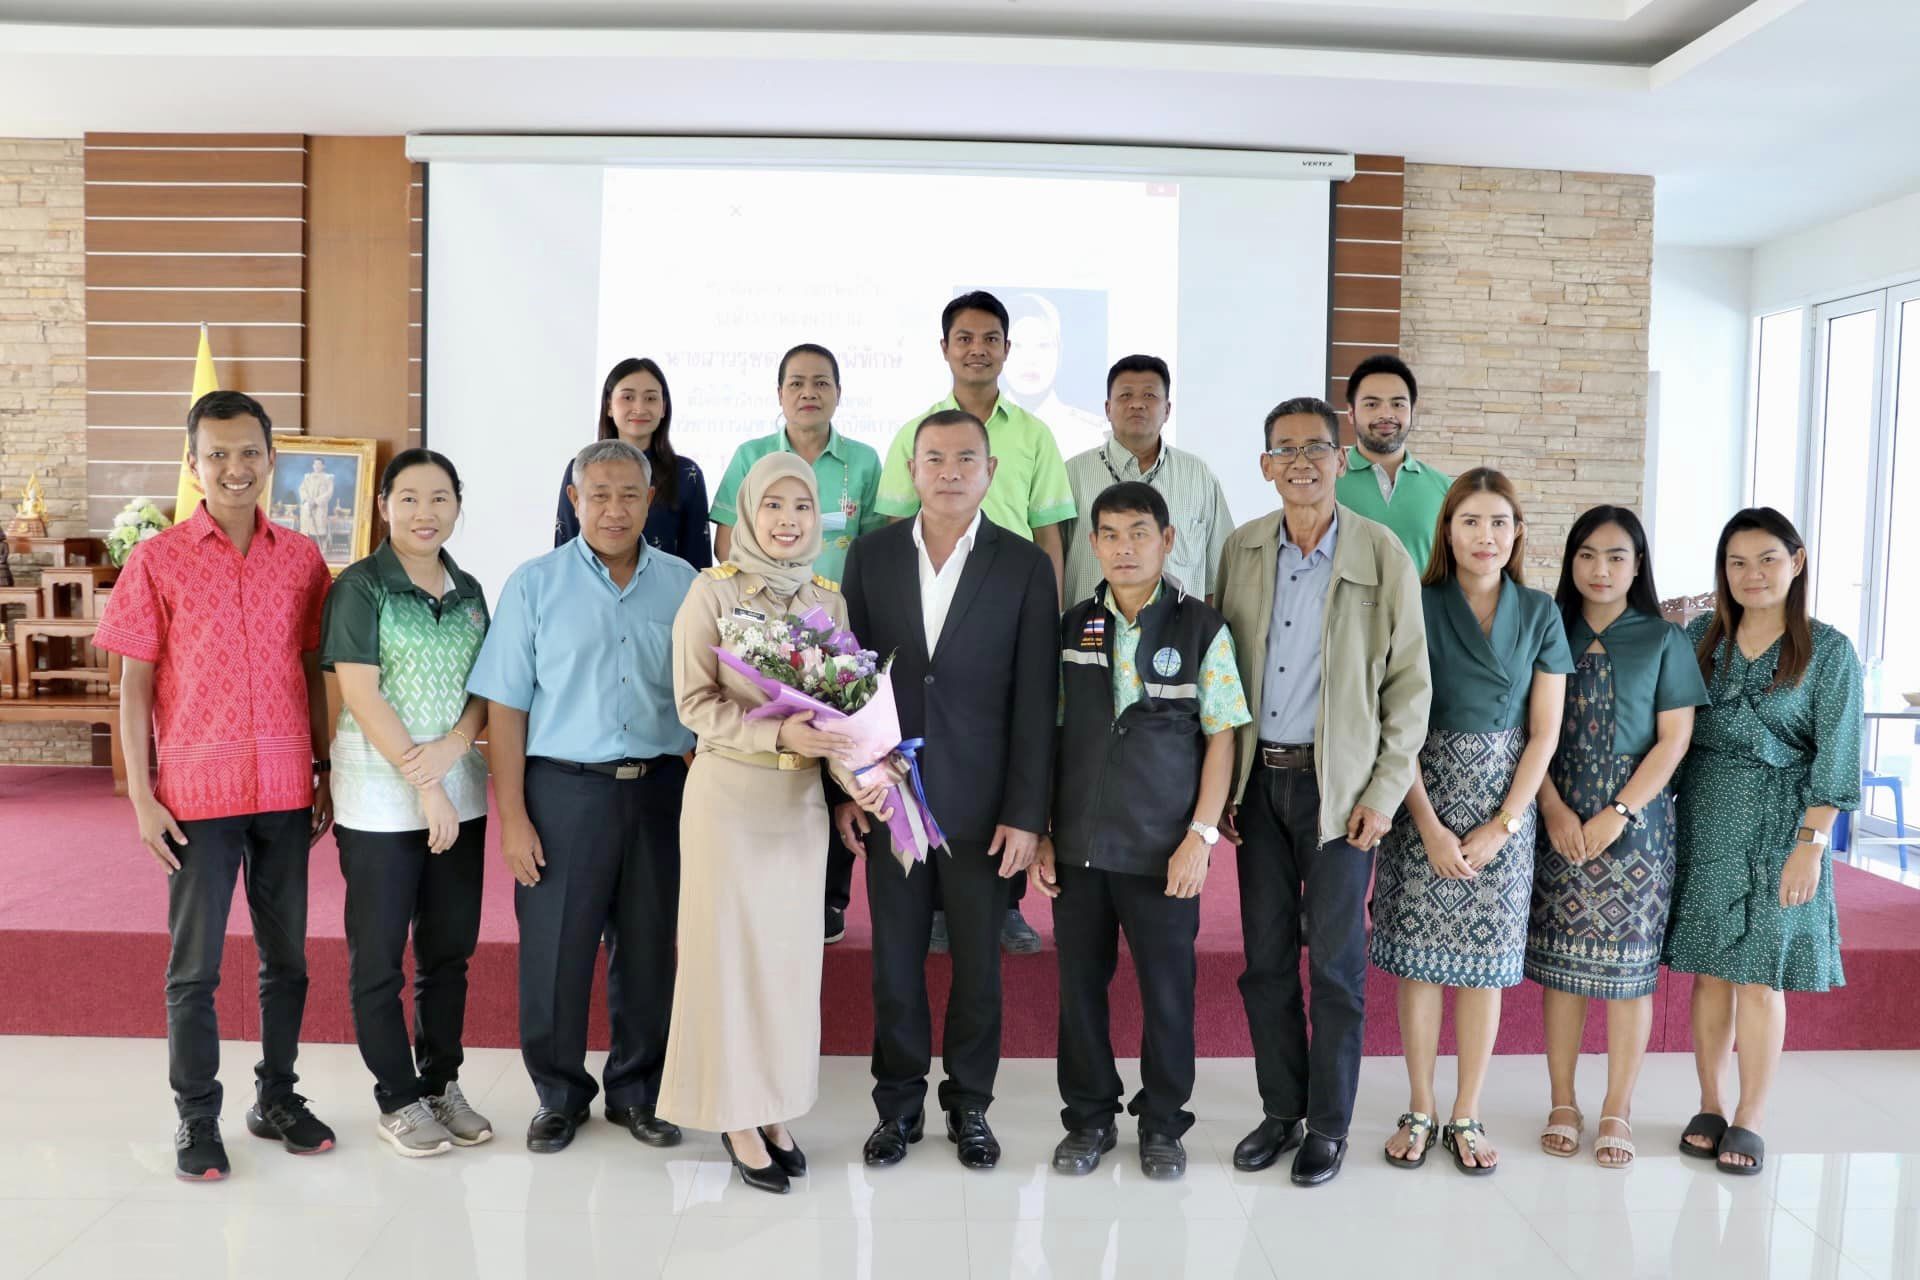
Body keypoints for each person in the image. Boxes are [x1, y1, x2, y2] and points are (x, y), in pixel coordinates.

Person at [95, 389, 338, 1182]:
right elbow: (133, 687)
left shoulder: (302, 558)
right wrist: (140, 795)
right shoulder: (156, 560)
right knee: (194, 969)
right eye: (218, 455)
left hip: (284, 789)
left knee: (288, 961)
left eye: (249, 453)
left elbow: (312, 669)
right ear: (194, 464)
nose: (235, 468)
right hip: (195, 798)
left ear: (273, 458)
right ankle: (196, 1118)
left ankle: (276, 1099)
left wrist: (324, 766)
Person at [1214, 397, 1431, 1187]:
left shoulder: (1381, 553)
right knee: (1265, 961)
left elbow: (1410, 689)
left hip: (1342, 796)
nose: (1301, 461)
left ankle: (1330, 1124)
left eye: (1317, 447)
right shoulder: (1240, 550)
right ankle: (1282, 1111)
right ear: (1265, 465)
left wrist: (1383, 787)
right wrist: (1221, 786)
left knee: (1335, 966)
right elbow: (1220, 672)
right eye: (1284, 449)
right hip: (1257, 785)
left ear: (1343, 460)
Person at [839, 408, 1058, 1172]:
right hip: (890, 800)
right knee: (894, 965)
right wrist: (848, 787)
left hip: (982, 810)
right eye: (935, 458)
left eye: (968, 458)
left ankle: (970, 1107)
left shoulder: (1025, 563)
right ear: (912, 469)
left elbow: (1036, 699)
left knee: (978, 969)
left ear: (991, 472)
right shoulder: (870, 558)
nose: (951, 471)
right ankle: (895, 1109)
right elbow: (847, 686)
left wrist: (1027, 815)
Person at [471, 438, 698, 1154]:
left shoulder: (685, 583)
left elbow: (703, 698)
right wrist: (513, 818)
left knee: (649, 950)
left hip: (660, 791)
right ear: (574, 501)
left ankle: (638, 1092)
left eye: (629, 494)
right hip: (564, 792)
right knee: (556, 951)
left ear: (650, 501)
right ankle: (559, 1095)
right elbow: (505, 709)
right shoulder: (534, 584)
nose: (614, 508)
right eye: (597, 494)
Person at [661, 454, 875, 1194]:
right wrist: (778, 735)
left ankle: (776, 1104)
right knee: (728, 962)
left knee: (786, 964)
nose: (788, 521)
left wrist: (868, 781)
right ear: (749, 514)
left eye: (803, 508)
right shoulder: (710, 593)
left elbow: (845, 712)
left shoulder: (828, 601)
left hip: (800, 810)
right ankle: (735, 1113)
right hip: (730, 799)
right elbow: (693, 704)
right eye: (774, 506)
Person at [1030, 481, 1251, 1181]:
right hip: (1080, 849)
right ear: (1092, 545)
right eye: (1110, 535)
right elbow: (1048, 734)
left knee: (1167, 992)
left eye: (1138, 533)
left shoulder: (1200, 627)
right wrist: (1041, 832)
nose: (1124, 548)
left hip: (1166, 851)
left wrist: (1203, 836)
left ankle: (1163, 1123)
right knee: (1080, 991)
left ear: (1167, 540)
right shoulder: (1071, 628)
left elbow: (1222, 736)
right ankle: (1089, 1119)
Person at [1369, 467, 1573, 1177]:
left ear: (1517, 533)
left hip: (1503, 805)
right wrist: (1422, 820)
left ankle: (1467, 1111)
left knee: (1484, 970)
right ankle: (1421, 1107)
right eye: (1470, 522)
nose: (1485, 536)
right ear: (1446, 531)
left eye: (1499, 523)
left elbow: (1543, 732)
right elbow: (1396, 720)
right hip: (1419, 791)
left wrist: (1506, 825)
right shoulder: (1416, 604)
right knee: (1421, 967)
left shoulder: (1541, 613)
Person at [875, 291, 1076, 954]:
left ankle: (1001, 902)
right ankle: (932, 904)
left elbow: (1051, 533)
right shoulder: (916, 429)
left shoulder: (1035, 433)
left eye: (990, 338)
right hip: (931, 609)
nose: (977, 349)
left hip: (1006, 603)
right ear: (945, 349)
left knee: (1000, 751)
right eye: (964, 338)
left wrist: (1043, 616)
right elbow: (895, 531)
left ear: (1006, 350)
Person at [1666, 508, 1861, 1177]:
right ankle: (1711, 1102)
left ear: (1797, 562)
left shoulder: (1829, 650)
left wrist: (1813, 841)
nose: (1752, 575)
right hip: (1706, 815)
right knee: (1711, 969)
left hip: (1784, 824)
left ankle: (1750, 1116)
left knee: (1759, 974)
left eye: (1767, 560)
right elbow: (1668, 726)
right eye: (1737, 563)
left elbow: (1837, 755)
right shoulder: (1699, 638)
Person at [321, 448, 495, 1158]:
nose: (426, 513)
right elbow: (361, 692)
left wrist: (455, 748)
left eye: (441, 498)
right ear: (385, 505)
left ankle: (441, 1080)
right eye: (411, 498)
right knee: (381, 957)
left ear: (458, 506)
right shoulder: (362, 587)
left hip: (462, 793)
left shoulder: (470, 588)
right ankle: (397, 1094)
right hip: (379, 800)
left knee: (449, 952)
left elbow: (490, 685)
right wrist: (425, 783)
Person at [1526, 506, 1706, 1168]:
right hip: (1557, 822)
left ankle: (1618, 1106)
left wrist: (1619, 814)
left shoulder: (1663, 638)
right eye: (1587, 556)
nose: (1601, 570)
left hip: (1638, 832)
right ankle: (1564, 1101)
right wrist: (1551, 809)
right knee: (1562, 971)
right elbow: (1525, 732)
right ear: (1570, 563)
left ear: (1637, 565)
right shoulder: (1548, 631)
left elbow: (1675, 739)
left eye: (1616, 557)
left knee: (1630, 977)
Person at [708, 343, 885, 945]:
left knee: (832, 746)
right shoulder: (752, 455)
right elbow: (727, 539)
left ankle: (831, 896)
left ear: (838, 392)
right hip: (759, 625)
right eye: (796, 383)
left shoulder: (862, 461)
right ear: (779, 393)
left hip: (833, 621)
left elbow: (875, 543)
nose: (809, 392)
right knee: (773, 738)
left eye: (821, 382)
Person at [1060, 355, 1235, 608]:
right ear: (1108, 408)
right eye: (1126, 396)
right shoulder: (1072, 474)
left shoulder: (1198, 475)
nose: (1137, 405)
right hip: (1091, 639)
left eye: (1150, 396)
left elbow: (1221, 577)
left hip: (1178, 638)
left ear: (1167, 410)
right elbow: (1052, 566)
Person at [553, 357, 712, 567]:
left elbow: (697, 562)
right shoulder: (581, 468)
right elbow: (564, 552)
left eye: (650, 399)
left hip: (668, 597)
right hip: (589, 596)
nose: (639, 408)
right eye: (628, 397)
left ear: (664, 408)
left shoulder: (685, 473)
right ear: (609, 405)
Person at [1333, 354, 1452, 572]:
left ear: (1412, 412)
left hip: (1421, 608)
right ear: (1351, 413)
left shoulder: (1446, 490)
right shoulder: (1326, 485)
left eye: (1397, 404)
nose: (1386, 414)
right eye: (1372, 404)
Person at [1001, 290, 1110, 460]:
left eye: (1043, 346)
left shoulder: (1091, 435)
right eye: (1018, 346)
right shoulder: (976, 429)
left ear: (1060, 352)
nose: (1030, 360)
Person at [298, 457, 334, 541]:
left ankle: (320, 548)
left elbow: (329, 492)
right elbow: (302, 489)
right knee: (306, 529)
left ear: (323, 466)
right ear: (313, 466)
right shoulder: (308, 477)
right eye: (315, 464)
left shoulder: (328, 478)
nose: (317, 466)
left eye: (319, 464)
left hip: (320, 506)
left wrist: (316, 501)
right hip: (308, 506)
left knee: (319, 528)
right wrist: (307, 499)